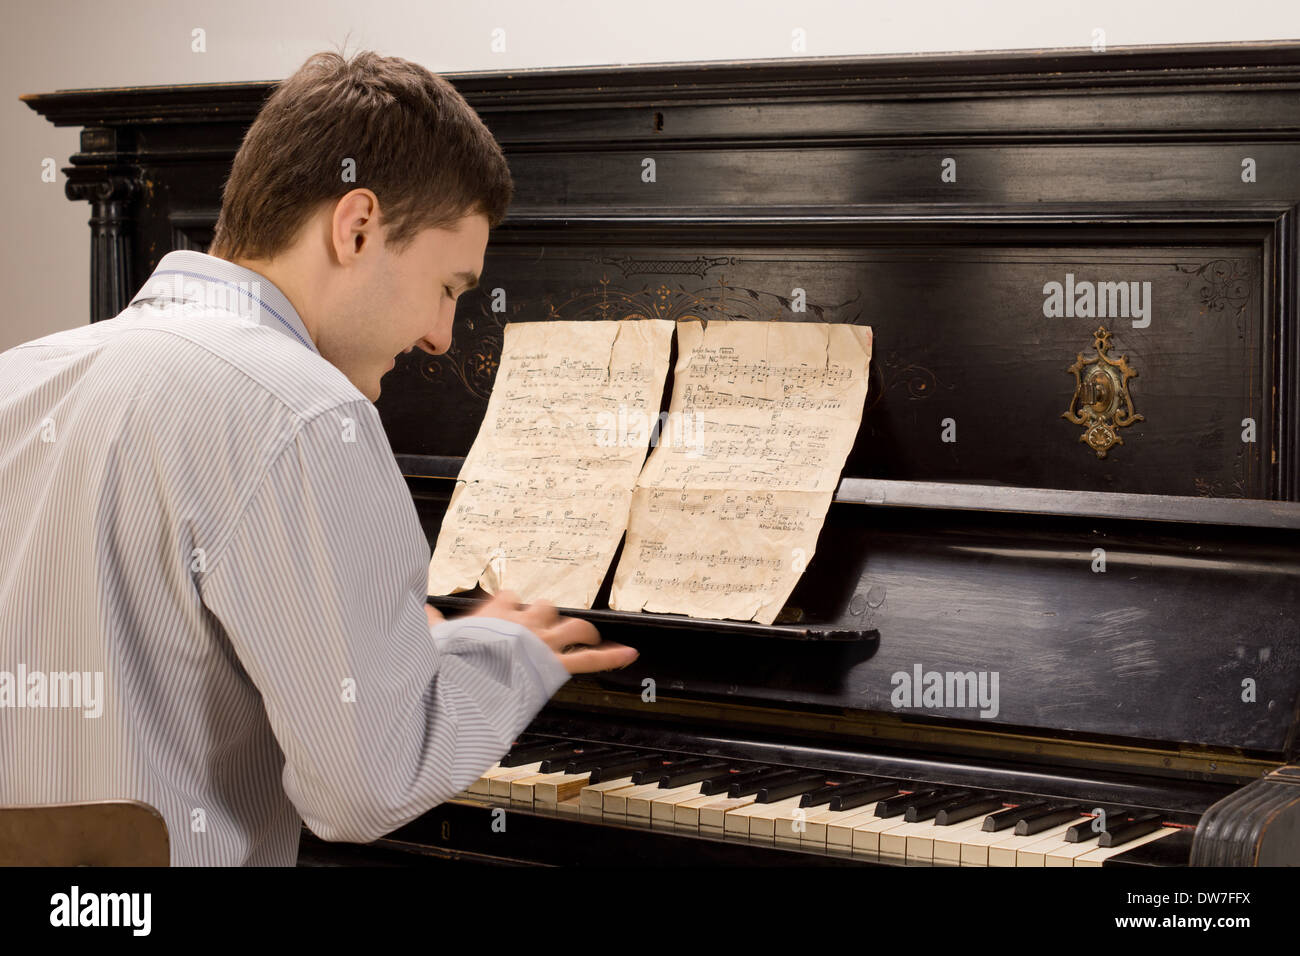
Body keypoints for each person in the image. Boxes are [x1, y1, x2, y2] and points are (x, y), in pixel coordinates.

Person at [0, 49, 636, 866]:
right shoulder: (303, 409)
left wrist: (391, 656)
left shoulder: (22, 377)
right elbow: (364, 788)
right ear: (357, 226)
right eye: (449, 287)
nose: (443, 336)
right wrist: (508, 656)